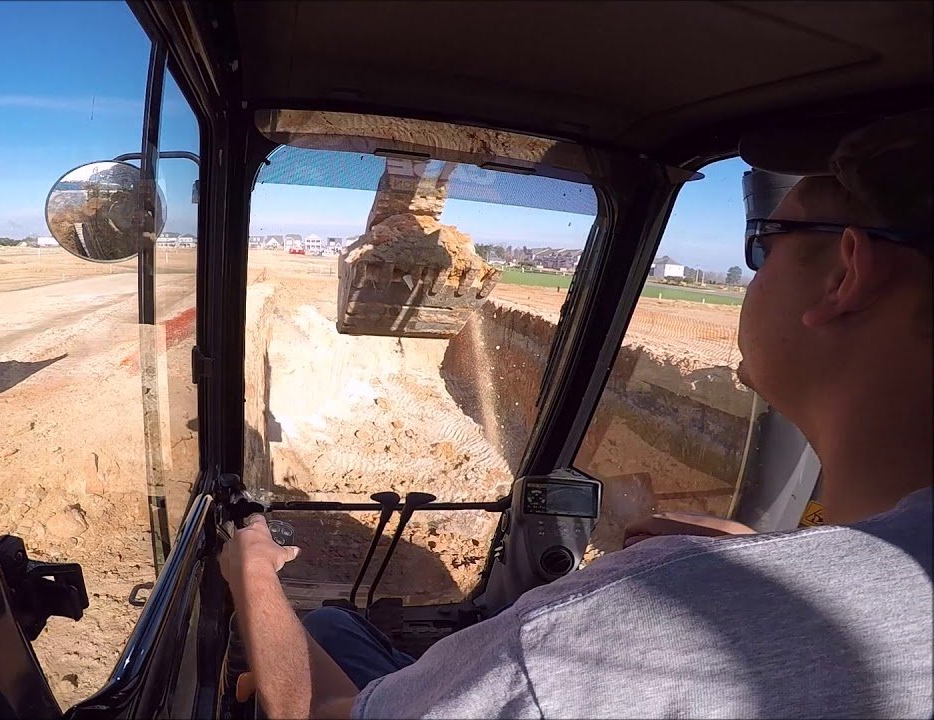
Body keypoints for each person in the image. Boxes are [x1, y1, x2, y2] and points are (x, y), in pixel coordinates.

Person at [219, 108, 932, 719]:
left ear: (846, 273)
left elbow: (313, 711)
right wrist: (758, 546)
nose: (757, 272)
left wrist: (252, 569)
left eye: (763, 245)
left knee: (330, 626)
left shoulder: (636, 620)